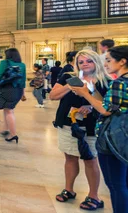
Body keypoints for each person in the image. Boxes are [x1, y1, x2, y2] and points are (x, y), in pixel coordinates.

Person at [72, 46, 128, 212]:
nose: (106, 64)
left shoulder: (119, 82)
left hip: (114, 138)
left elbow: (106, 109)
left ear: (123, 61)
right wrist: (92, 89)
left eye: (109, 60)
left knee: (116, 185)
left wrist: (85, 94)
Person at [52, 49, 109, 210]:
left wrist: (90, 105)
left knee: (90, 159)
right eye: (81, 62)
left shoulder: (103, 80)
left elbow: (106, 104)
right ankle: (68, 189)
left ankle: (93, 196)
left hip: (90, 126)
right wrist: (70, 86)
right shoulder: (68, 77)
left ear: (96, 62)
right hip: (67, 122)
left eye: (89, 61)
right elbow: (53, 96)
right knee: (69, 157)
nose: (85, 64)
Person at [0, 48, 26, 143]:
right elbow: (23, 80)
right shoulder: (22, 65)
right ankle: (5, 129)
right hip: (18, 90)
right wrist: (23, 94)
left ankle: (13, 134)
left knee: (9, 111)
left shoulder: (5, 63)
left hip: (7, 89)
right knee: (7, 110)